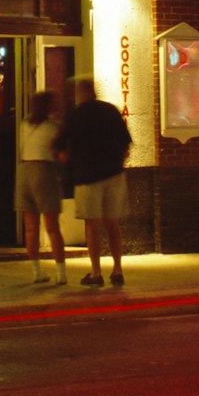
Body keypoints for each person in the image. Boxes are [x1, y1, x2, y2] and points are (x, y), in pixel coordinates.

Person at [65, 77, 131, 288]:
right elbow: (126, 146)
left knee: (92, 226)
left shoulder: (75, 115)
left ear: (80, 93)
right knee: (113, 224)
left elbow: (64, 147)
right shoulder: (111, 111)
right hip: (114, 174)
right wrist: (116, 163)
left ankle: (95, 273)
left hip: (88, 176)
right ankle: (117, 270)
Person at [14, 90, 67, 285]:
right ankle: (61, 273)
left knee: (30, 228)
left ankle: (37, 271)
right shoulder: (53, 127)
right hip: (44, 172)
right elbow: (60, 155)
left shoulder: (24, 124)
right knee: (52, 227)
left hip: (24, 173)